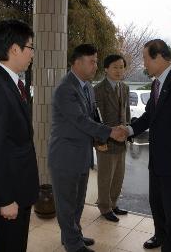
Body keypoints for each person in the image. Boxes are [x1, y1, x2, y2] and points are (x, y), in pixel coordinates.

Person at [124, 39, 171, 252]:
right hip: (157, 158)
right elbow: (150, 116)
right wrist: (129, 130)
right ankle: (160, 235)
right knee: (157, 203)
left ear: (158, 57)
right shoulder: (157, 84)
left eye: (145, 59)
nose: (144, 64)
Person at [48, 44, 127, 252]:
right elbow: (80, 120)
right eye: (91, 61)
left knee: (78, 202)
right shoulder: (66, 88)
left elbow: (93, 117)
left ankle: (73, 236)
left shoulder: (87, 88)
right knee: (66, 204)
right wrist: (110, 132)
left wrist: (104, 134)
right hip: (65, 157)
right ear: (77, 62)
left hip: (82, 155)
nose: (95, 66)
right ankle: (74, 245)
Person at [0, 19, 39, 252]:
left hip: (19, 187)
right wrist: (4, 199)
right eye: (30, 47)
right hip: (9, 193)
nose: (32, 53)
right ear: (15, 49)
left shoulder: (11, 83)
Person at [94, 54, 130, 222]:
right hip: (105, 140)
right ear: (106, 69)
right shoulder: (98, 89)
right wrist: (100, 139)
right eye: (115, 67)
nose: (118, 70)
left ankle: (113, 204)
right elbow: (96, 118)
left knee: (118, 175)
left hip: (121, 140)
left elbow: (126, 112)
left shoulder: (124, 87)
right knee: (105, 176)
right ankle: (104, 207)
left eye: (121, 67)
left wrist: (127, 131)